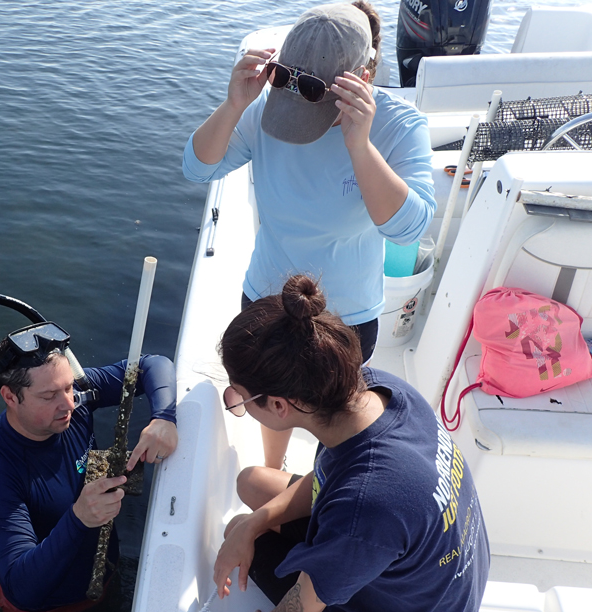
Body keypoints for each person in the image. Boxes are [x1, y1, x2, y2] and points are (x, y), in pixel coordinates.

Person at [209, 275, 489, 612]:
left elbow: (309, 598)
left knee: (234, 530)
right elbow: (329, 480)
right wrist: (255, 525)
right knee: (252, 489)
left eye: (241, 401)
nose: (238, 407)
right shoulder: (379, 390)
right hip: (431, 606)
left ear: (280, 406)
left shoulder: (366, 504)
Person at [183, 1, 436, 469]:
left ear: (363, 75)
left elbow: (409, 227)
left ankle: (323, 482)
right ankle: (274, 470)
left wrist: (358, 145)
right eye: (286, 80)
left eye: (315, 90)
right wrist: (235, 102)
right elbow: (198, 167)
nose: (297, 100)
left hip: (346, 314)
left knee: (332, 417)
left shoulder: (399, 126)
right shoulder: (263, 112)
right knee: (271, 398)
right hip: (267, 297)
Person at [0, 321, 178, 612]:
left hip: (102, 575)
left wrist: (164, 417)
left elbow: (153, 365)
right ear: (10, 397)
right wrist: (79, 519)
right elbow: (21, 586)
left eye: (67, 387)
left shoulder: (77, 397)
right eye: (49, 395)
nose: (68, 404)